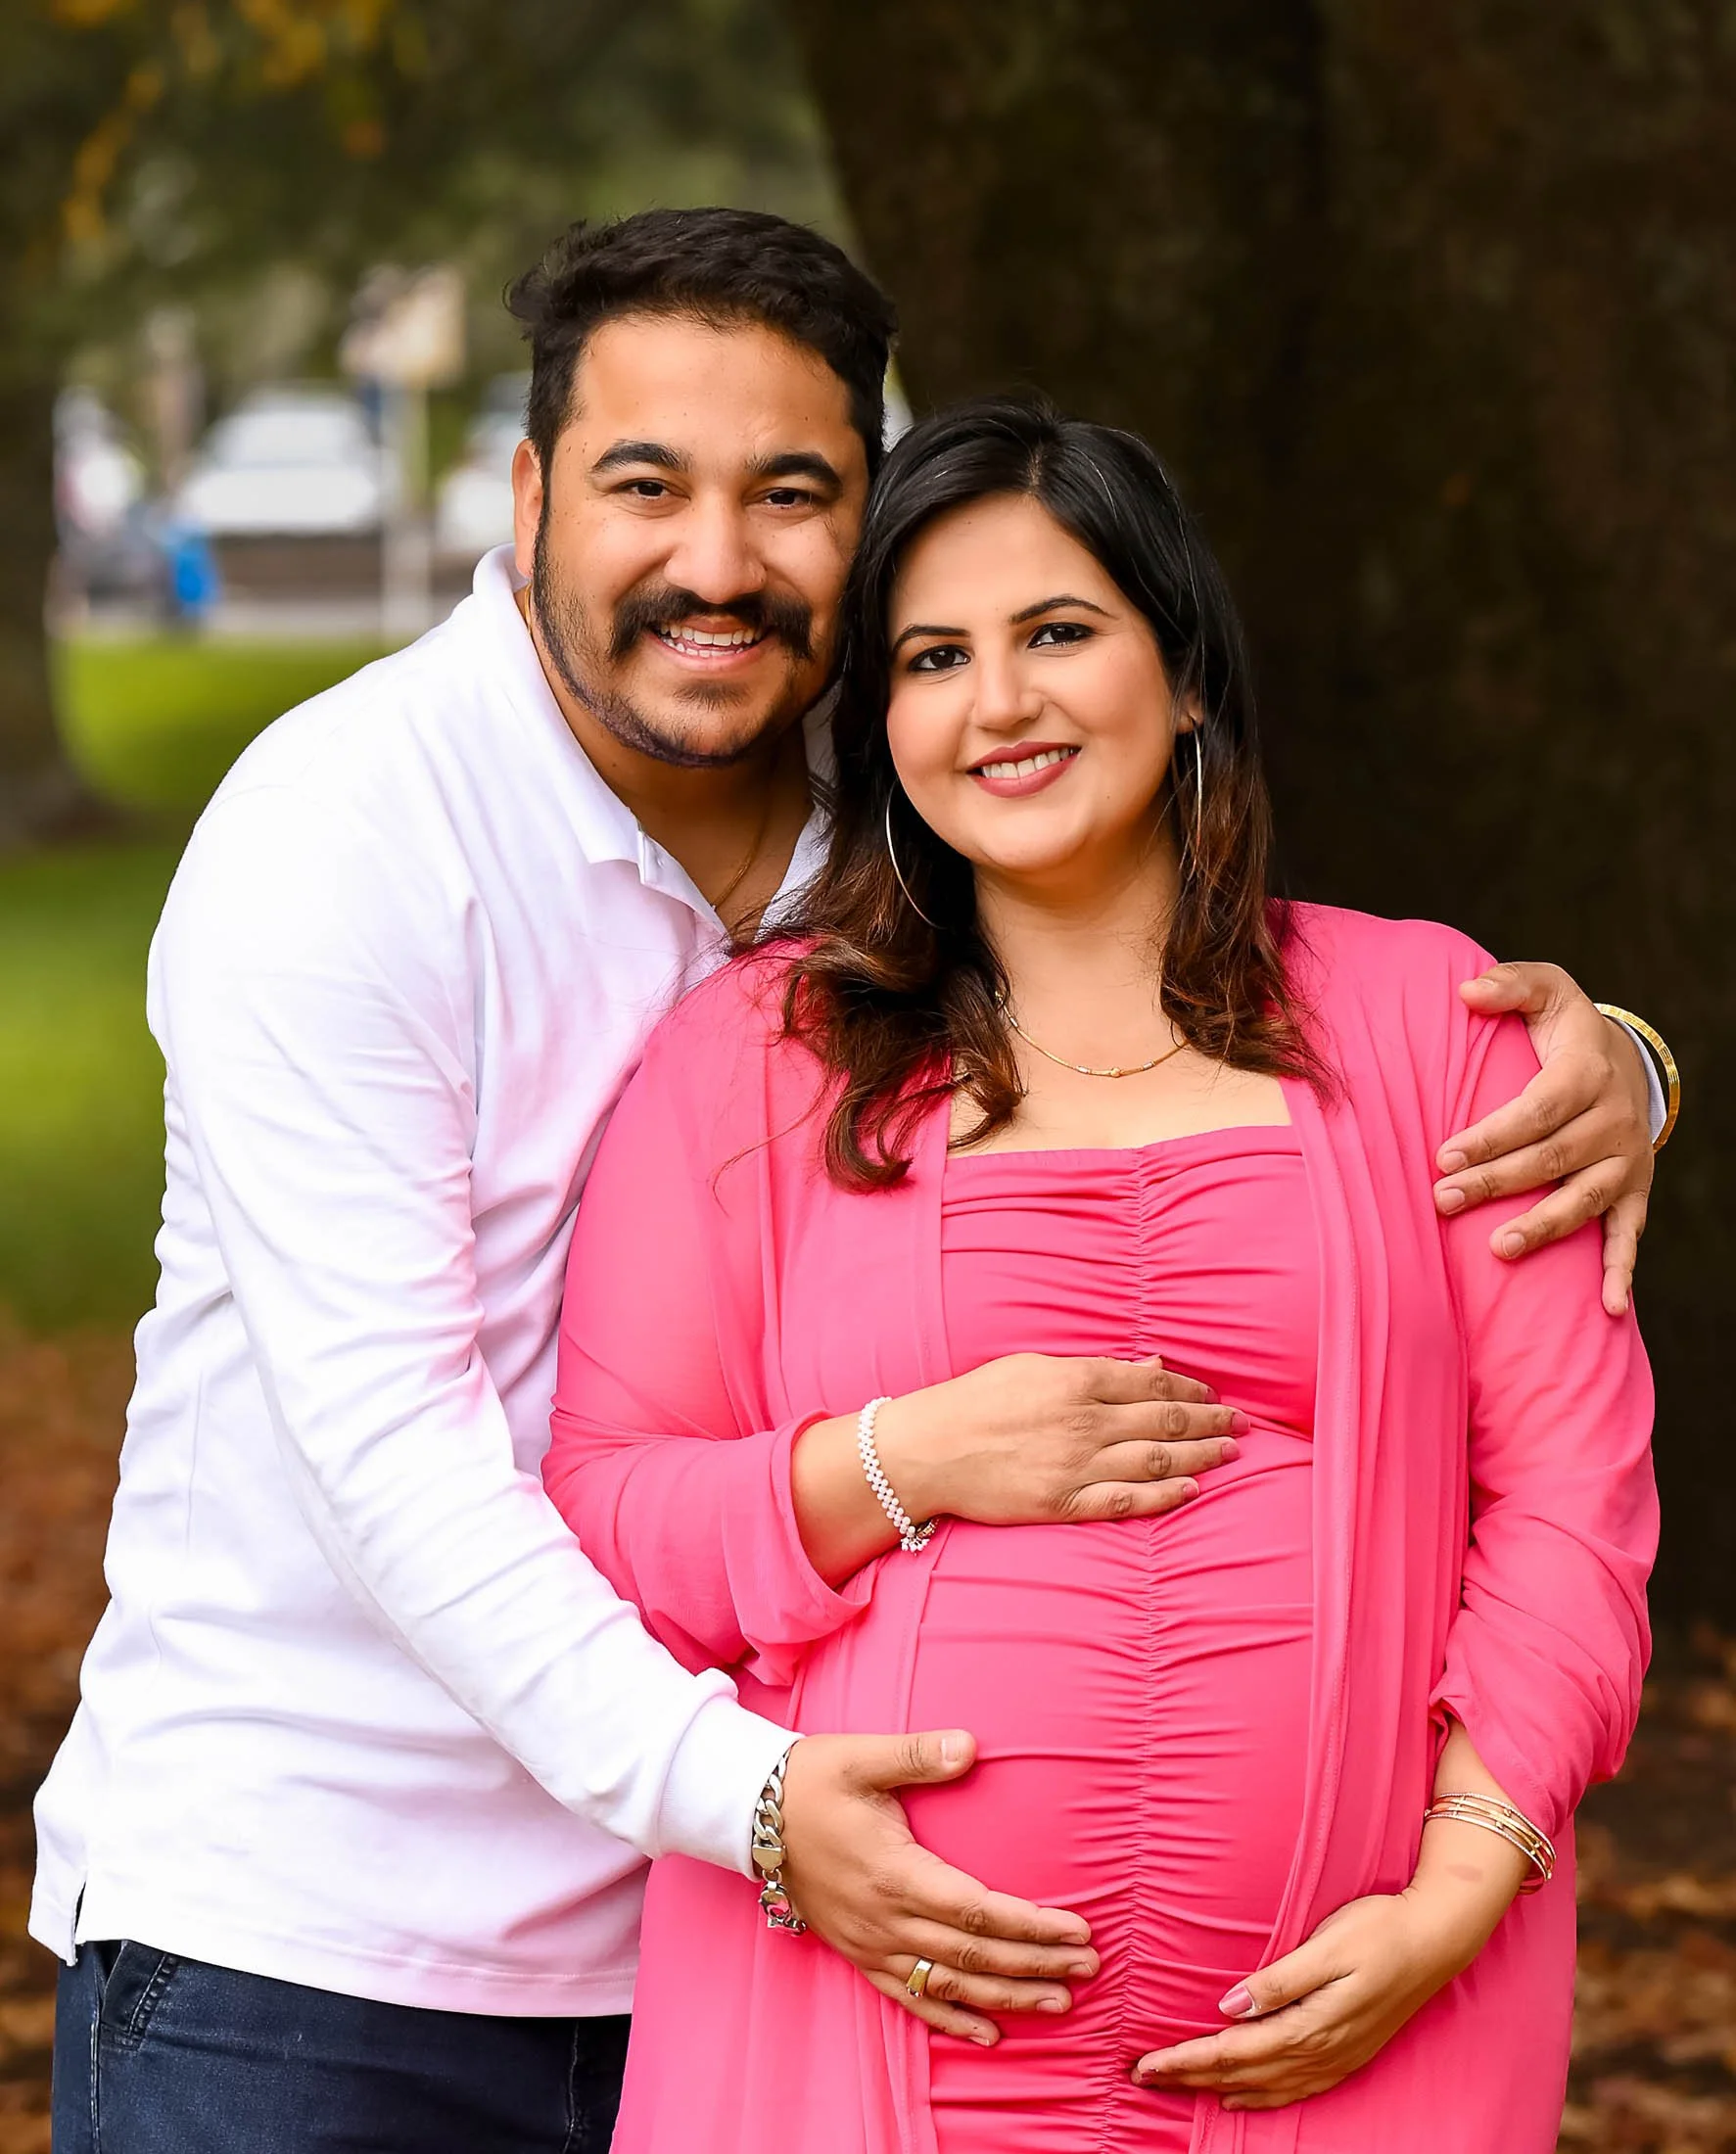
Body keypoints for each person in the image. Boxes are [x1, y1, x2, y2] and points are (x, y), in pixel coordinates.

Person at [33, 211, 1663, 2152]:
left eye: (790, 492)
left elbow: (1344, 1100)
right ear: (535, 490)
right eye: (647, 484)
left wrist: (1622, 1061)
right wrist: (767, 1747)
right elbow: (406, 1448)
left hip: (695, 1953)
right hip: (330, 1954)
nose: (714, 561)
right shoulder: (350, 839)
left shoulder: (869, 872)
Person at [543, 395, 1660, 2152]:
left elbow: (1571, 1515)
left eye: (1059, 631)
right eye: (932, 656)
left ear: (1188, 669)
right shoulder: (756, 1067)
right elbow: (607, 1521)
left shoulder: (1434, 1031)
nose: (998, 703)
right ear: (885, 720)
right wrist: (902, 1462)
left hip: (1357, 2029)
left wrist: (1458, 1889)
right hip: (862, 2034)